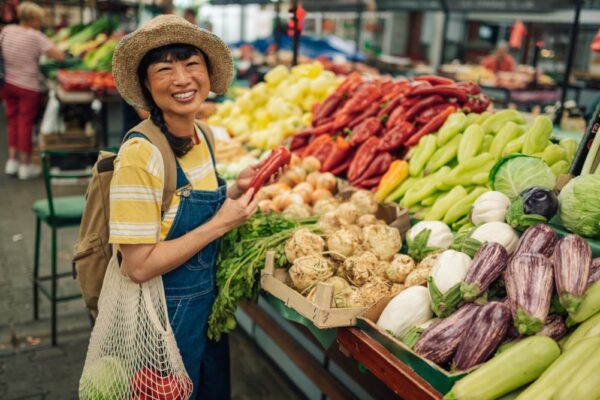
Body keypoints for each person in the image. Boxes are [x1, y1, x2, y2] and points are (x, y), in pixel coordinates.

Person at [110, 15, 264, 399]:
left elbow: (179, 215)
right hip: (160, 321)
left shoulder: (204, 137)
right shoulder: (140, 154)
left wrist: (234, 192)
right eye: (165, 69)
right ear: (147, 85)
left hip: (204, 316)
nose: (182, 79)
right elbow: (139, 265)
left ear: (209, 74)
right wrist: (220, 225)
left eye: (192, 64)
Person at [1, 1, 64, 179]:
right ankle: (25, 166)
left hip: (7, 84)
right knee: (25, 124)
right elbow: (58, 55)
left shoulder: (7, 30)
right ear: (32, 19)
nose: (41, 23)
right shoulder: (35, 36)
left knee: (12, 121)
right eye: (39, 19)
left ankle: (11, 163)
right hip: (28, 86)